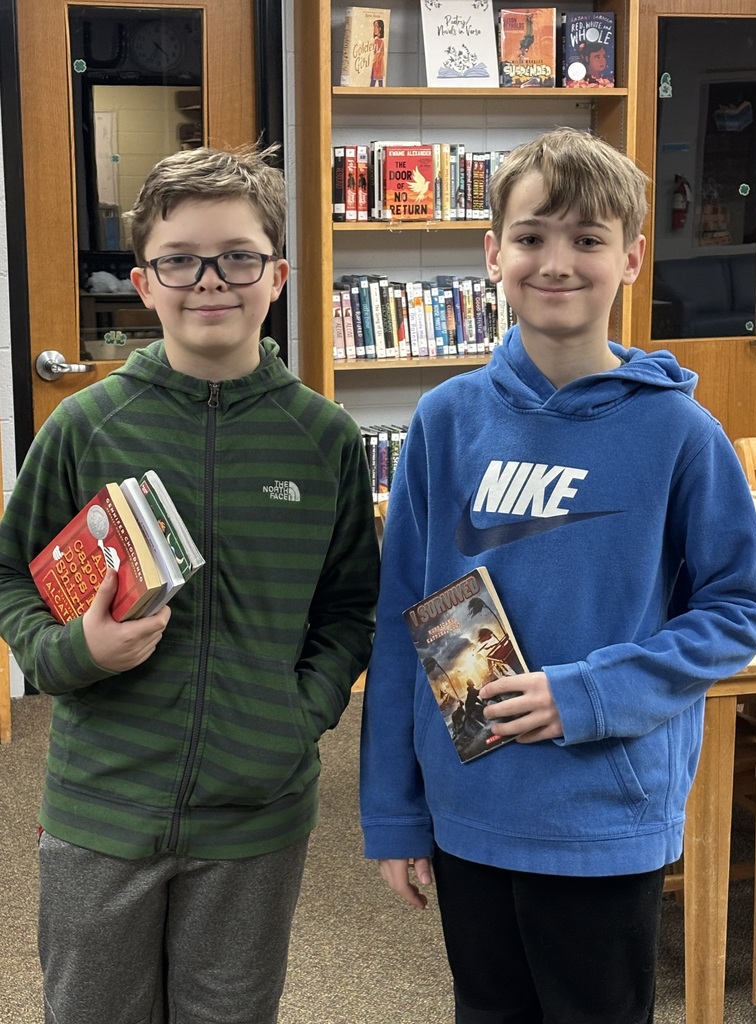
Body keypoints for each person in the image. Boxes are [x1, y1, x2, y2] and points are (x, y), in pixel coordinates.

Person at [359, 126, 756, 1024]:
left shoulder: (680, 434)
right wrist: (394, 813)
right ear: (492, 251)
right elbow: (405, 622)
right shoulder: (445, 421)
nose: (557, 262)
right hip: (472, 805)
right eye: (533, 235)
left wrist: (585, 694)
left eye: (588, 239)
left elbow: (738, 610)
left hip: (603, 815)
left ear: (631, 256)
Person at [0, 143, 380, 1024]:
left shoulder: (322, 438)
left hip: (256, 818)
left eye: (238, 257)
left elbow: (351, 606)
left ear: (277, 274)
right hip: (103, 805)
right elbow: (12, 572)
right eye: (179, 260)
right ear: (143, 282)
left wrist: (300, 715)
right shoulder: (87, 425)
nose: (210, 281)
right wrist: (71, 652)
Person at [370, 18, 386, 87]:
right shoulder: (376, 41)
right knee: (375, 81)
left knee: (378, 81)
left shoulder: (380, 41)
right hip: (376, 64)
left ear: (380, 28)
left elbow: (380, 53)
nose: (374, 28)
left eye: (375, 26)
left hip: (378, 64)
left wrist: (375, 58)